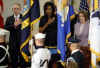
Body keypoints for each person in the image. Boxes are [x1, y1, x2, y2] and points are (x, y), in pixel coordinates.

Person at [4, 3, 23, 68]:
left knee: (22, 61)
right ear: (12, 9)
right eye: (14, 8)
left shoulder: (24, 18)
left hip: (22, 42)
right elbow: (5, 28)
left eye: (17, 8)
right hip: (13, 43)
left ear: (20, 9)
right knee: (14, 61)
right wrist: (14, 25)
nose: (15, 10)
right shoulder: (9, 18)